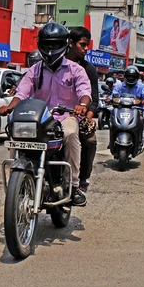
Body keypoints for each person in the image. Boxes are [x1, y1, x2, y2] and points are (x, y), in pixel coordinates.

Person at [0, 22, 92, 206]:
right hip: (39, 118)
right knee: (15, 129)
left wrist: (82, 105)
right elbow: (22, 92)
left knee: (71, 133)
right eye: (47, 44)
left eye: (55, 44)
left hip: (66, 117)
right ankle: (15, 180)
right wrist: (10, 107)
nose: (51, 49)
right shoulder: (35, 70)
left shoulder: (76, 70)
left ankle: (73, 186)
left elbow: (85, 92)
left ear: (64, 44)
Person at [66, 27, 98, 193]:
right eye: (82, 45)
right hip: (55, 114)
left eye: (87, 45)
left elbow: (93, 98)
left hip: (79, 115)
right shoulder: (57, 63)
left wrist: (87, 115)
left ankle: (82, 179)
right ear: (70, 43)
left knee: (89, 140)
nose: (86, 49)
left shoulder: (89, 69)